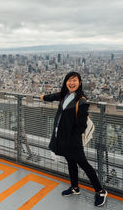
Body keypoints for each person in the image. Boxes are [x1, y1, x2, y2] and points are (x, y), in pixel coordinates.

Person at [40, 71, 107, 207]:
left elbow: (81, 126)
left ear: (79, 83)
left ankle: (100, 191)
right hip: (63, 137)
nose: (71, 83)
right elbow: (54, 96)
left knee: (85, 165)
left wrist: (72, 139)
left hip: (73, 141)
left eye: (74, 80)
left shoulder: (81, 101)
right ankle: (75, 187)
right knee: (70, 163)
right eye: (69, 80)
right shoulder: (65, 95)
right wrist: (44, 97)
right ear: (66, 82)